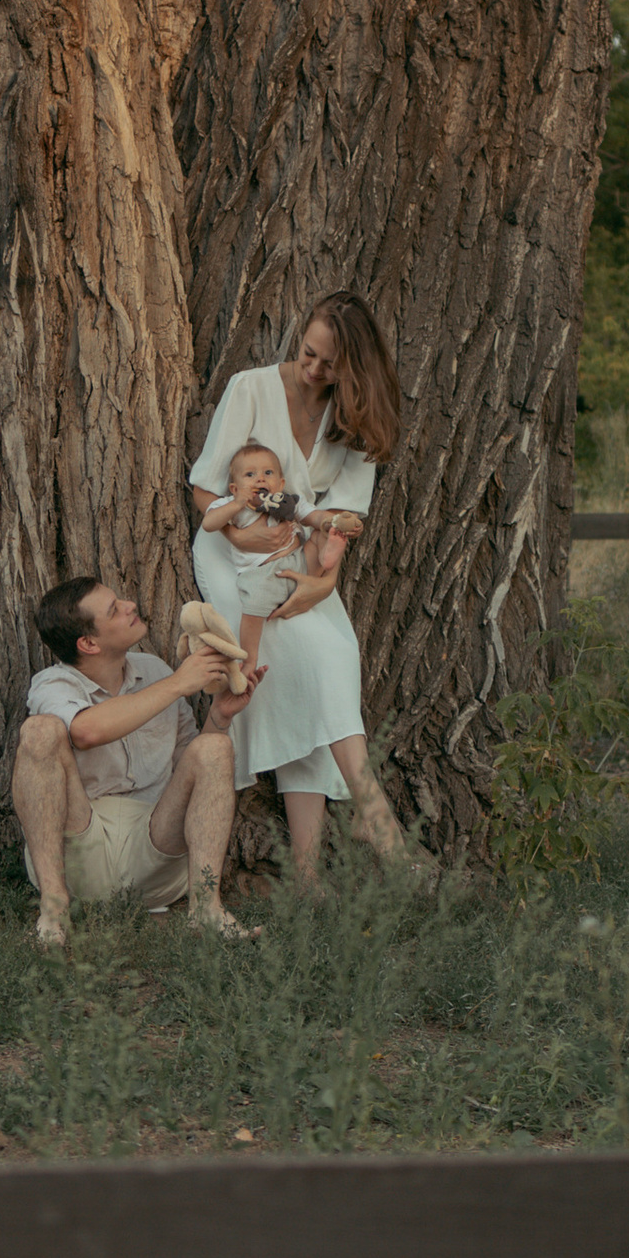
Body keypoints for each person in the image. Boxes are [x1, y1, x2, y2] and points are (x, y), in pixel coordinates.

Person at [188, 290, 407, 882]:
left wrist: (323, 578)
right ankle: (373, 810)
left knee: (332, 656)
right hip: (233, 552)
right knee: (307, 659)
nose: (313, 370)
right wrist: (239, 539)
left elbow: (346, 515)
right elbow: (205, 487)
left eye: (329, 364)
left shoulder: (358, 415)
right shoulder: (250, 388)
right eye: (308, 353)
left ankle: (308, 877)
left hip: (303, 555)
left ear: (355, 371)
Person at [12, 574, 263, 950]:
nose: (130, 606)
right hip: (80, 846)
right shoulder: (54, 684)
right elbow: (85, 731)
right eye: (114, 610)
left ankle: (206, 910)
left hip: (156, 844)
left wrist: (220, 717)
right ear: (89, 643)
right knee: (39, 731)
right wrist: (179, 684)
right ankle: (53, 907)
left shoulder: (156, 671)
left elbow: (191, 766)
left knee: (215, 748)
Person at [196, 437, 347, 674]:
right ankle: (250, 657)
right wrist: (236, 504)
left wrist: (329, 523)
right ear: (234, 488)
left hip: (300, 561)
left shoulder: (287, 501)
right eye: (250, 475)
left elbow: (312, 515)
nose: (260, 478)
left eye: (268, 472)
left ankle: (328, 554)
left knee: (320, 534)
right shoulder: (232, 506)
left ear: (280, 482)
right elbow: (209, 523)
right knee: (252, 607)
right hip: (266, 574)